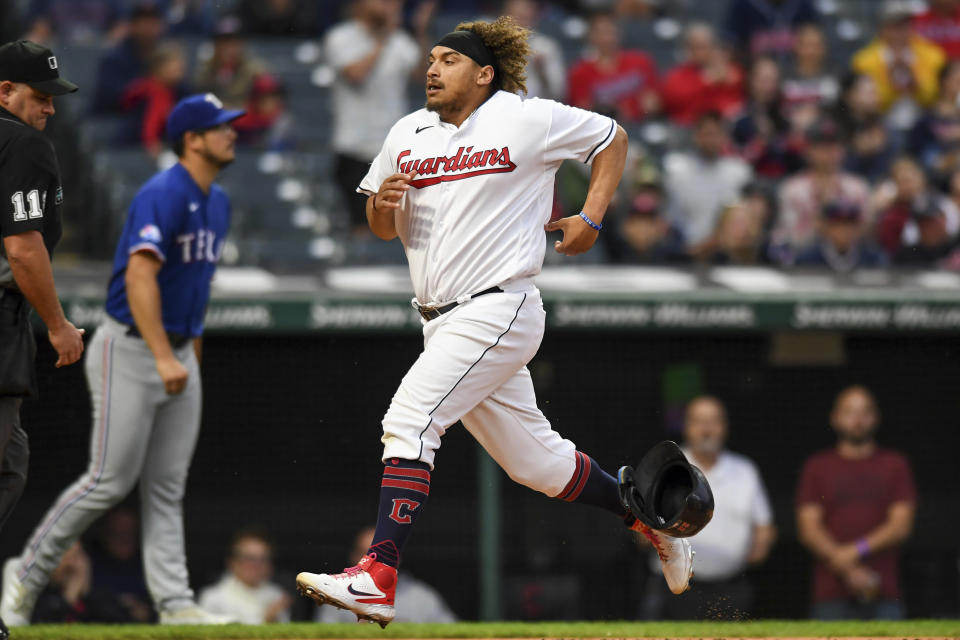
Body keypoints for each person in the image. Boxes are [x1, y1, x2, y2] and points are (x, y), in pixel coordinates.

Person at [295, 16, 702, 628]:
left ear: (484, 74)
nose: (432, 68)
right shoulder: (407, 132)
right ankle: (648, 516)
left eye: (448, 60)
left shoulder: (521, 116)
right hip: (439, 318)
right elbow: (382, 226)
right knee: (537, 466)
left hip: (498, 304)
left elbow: (612, 138)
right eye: (430, 58)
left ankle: (377, 574)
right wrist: (382, 210)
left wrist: (591, 217)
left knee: (409, 419)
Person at [0, 93, 244, 628]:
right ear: (192, 139)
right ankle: (24, 574)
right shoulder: (164, 191)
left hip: (177, 350)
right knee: (108, 480)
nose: (232, 132)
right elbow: (139, 278)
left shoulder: (218, 201)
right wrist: (164, 357)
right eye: (220, 127)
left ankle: (175, 604)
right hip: (132, 347)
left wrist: (187, 358)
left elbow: (194, 291)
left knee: (166, 486)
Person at [0, 39, 85, 639]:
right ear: (4, 91)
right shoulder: (22, 142)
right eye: (39, 96)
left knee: (11, 462)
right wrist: (56, 323)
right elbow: (23, 246)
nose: (50, 109)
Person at [642, 397, 775, 620]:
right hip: (675, 590)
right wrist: (647, 532)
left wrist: (761, 545)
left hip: (732, 587)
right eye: (699, 421)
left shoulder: (745, 470)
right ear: (686, 427)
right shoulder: (666, 468)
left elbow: (764, 525)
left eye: (714, 421)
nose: (706, 429)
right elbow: (641, 534)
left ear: (725, 427)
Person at [796, 385, 916, 620]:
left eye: (865, 412)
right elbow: (808, 528)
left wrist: (855, 550)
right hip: (830, 595)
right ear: (835, 418)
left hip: (884, 591)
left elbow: (901, 526)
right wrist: (848, 567)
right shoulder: (817, 466)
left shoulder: (895, 464)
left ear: (876, 418)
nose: (858, 419)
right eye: (850, 412)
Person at [325, 0, 424, 234]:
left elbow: (422, 75)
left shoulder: (399, 41)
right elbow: (356, 75)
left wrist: (419, 29)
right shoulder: (341, 37)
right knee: (362, 227)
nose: (390, 5)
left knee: (398, 227)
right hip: (355, 147)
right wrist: (383, 39)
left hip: (393, 149)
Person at [316, 527, 456, 623]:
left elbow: (453, 635)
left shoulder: (422, 598)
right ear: (353, 557)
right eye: (366, 554)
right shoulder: (334, 595)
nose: (374, 563)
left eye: (382, 557)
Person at [775, 118, 871, 253]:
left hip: (850, 261)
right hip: (805, 264)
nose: (829, 153)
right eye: (822, 147)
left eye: (834, 146)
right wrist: (821, 223)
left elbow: (866, 235)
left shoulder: (857, 188)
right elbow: (791, 239)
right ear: (809, 150)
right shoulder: (793, 189)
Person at [664, 111, 753, 253]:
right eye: (707, 134)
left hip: (726, 252)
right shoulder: (678, 173)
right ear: (696, 136)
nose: (712, 140)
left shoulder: (738, 173)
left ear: (724, 137)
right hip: (684, 251)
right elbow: (672, 219)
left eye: (716, 134)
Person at [852, 0, 946, 126]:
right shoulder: (864, 61)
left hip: (926, 120)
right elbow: (869, 104)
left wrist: (915, 83)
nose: (900, 31)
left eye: (905, 25)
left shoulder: (932, 55)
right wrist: (889, 81)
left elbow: (936, 98)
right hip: (881, 122)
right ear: (882, 28)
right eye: (894, 26)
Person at [567, 10, 660, 123]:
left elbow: (654, 101)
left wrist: (650, 104)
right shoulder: (580, 71)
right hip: (603, 129)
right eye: (602, 33)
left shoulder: (640, 61)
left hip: (639, 123)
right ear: (591, 36)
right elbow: (581, 111)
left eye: (611, 32)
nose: (608, 38)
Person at [199, 527, 292, 624]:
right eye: (249, 558)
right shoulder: (213, 598)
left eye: (263, 559)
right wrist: (265, 620)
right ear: (232, 562)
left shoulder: (276, 596)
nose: (256, 565)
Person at [732, 56, 805, 179]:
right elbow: (733, 163)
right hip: (750, 182)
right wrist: (759, 144)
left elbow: (798, 161)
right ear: (751, 81)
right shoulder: (737, 118)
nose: (769, 87)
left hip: (786, 182)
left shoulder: (789, 118)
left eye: (773, 81)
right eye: (764, 80)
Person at [661, 23, 744, 126]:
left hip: (721, 129)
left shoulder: (729, 71)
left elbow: (733, 103)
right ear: (687, 49)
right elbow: (674, 101)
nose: (700, 52)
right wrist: (706, 80)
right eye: (695, 47)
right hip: (686, 129)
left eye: (704, 46)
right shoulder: (676, 75)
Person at [90, 2, 167, 114]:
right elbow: (108, 98)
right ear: (132, 26)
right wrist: (142, 89)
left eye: (153, 22)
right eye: (144, 22)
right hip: (119, 120)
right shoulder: (114, 59)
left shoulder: (165, 57)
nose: (149, 28)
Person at [120, 43, 187, 156]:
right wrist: (152, 143)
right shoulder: (152, 91)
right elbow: (151, 124)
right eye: (175, 67)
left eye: (180, 67)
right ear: (159, 68)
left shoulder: (179, 90)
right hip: (132, 147)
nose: (180, 71)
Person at [192, 15, 267, 110]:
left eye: (233, 43)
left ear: (242, 44)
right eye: (223, 43)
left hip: (245, 121)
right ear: (215, 46)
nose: (228, 48)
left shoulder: (256, 71)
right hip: (214, 122)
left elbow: (264, 107)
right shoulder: (205, 70)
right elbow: (200, 100)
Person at [793, 199, 888, 272]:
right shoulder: (808, 258)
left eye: (850, 224)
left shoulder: (871, 258)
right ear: (825, 227)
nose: (844, 230)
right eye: (837, 224)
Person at [909, 59, 960, 183]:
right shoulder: (926, 120)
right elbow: (926, 159)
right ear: (944, 82)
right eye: (958, 81)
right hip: (939, 178)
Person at [503, 0, 565, 100]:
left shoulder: (546, 47)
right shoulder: (493, 45)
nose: (520, 24)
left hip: (537, 109)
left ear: (534, 17)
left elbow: (558, 93)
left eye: (525, 18)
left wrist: (541, 71)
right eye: (516, 17)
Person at [781, 24, 838, 133]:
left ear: (824, 48)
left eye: (817, 46)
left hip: (825, 137)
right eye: (807, 45)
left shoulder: (835, 78)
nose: (812, 51)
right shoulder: (783, 77)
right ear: (796, 46)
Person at [724, 0, 819, 60]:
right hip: (754, 75)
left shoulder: (803, 5)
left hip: (796, 74)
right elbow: (732, 45)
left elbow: (817, 40)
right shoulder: (742, 5)